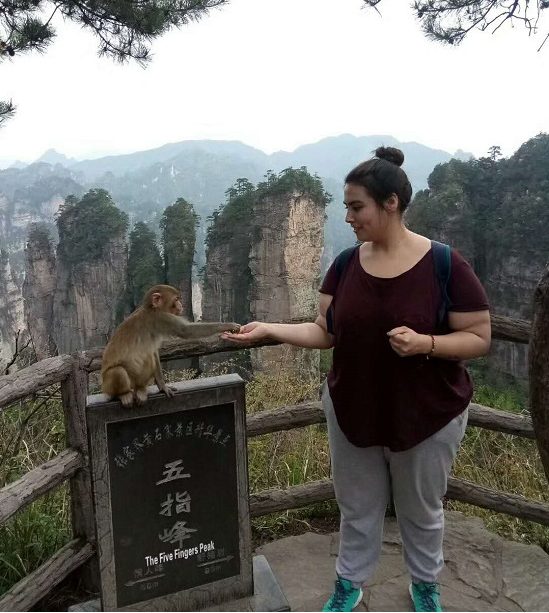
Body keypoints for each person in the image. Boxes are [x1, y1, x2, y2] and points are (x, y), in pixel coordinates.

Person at [222, 146, 491, 613]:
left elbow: (478, 336)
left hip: (427, 413)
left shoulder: (445, 263)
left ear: (390, 203)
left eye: (356, 206)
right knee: (357, 506)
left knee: (421, 510)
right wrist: (269, 329)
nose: (347, 217)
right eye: (346, 207)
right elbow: (325, 331)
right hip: (352, 406)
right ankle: (350, 581)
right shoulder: (346, 264)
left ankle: (425, 584)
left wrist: (427, 343)